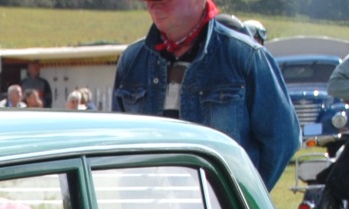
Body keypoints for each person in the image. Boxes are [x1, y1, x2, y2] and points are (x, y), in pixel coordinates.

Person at [112, 0, 298, 190]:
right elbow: (118, 147)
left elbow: (282, 141)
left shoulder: (246, 58)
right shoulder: (131, 62)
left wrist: (241, 201)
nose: (154, 4)